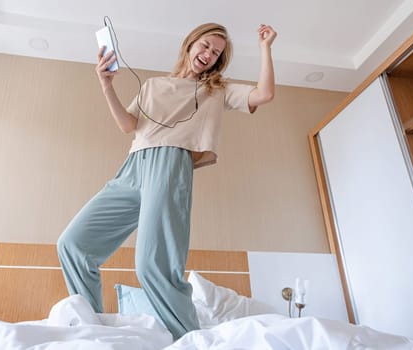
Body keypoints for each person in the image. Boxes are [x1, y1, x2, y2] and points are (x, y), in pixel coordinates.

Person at [57, 22, 277, 339]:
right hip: (133, 167)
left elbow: (265, 93)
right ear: (190, 44)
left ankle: (188, 339)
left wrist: (265, 48)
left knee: (152, 266)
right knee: (73, 245)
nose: (209, 54)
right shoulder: (152, 85)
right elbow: (128, 125)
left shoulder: (217, 90)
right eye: (205, 45)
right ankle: (93, 330)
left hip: (171, 166)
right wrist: (107, 86)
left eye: (216, 53)